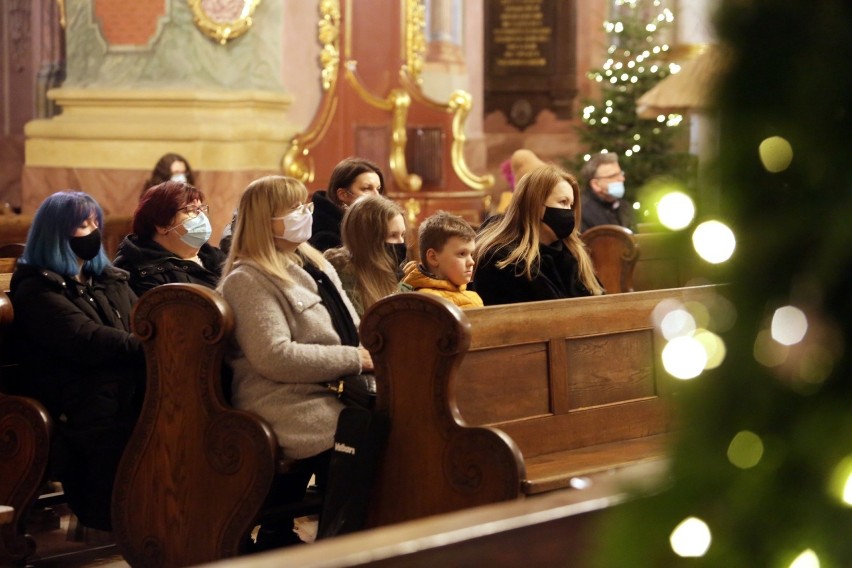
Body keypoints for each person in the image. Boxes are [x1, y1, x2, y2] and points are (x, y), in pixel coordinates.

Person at [218, 175, 373, 545]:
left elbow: (350, 326)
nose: (306, 213)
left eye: (305, 205)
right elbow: (275, 356)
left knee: (396, 423)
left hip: (333, 390)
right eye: (293, 209)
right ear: (264, 221)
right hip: (285, 401)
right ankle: (341, 546)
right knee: (364, 437)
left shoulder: (314, 263)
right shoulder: (248, 278)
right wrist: (355, 359)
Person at [9, 191, 145, 531]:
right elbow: (86, 339)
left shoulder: (108, 278)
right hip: (78, 402)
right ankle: (127, 515)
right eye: (83, 224)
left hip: (120, 387)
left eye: (95, 221)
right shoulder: (37, 289)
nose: (94, 229)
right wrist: (147, 346)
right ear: (56, 234)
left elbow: (141, 320)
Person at [473, 164, 604, 305]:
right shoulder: (502, 258)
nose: (569, 212)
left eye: (571, 205)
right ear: (534, 205)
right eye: (562, 202)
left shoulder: (572, 254)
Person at [114, 181, 226, 296]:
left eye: (200, 209)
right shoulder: (141, 272)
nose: (201, 217)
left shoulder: (214, 256)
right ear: (162, 225)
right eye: (190, 210)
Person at [324, 195, 406, 317]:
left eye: (402, 235)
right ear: (369, 239)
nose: (401, 242)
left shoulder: (396, 276)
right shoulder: (342, 278)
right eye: (393, 235)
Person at [399, 211, 483, 309]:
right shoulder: (428, 302)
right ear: (433, 257)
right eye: (462, 254)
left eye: (471, 254)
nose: (471, 262)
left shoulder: (471, 296)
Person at [309, 157, 384, 251]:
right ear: (343, 195)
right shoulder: (324, 236)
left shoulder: (378, 222)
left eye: (378, 189)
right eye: (366, 189)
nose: (377, 196)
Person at [579, 152, 636, 232]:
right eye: (613, 176)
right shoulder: (581, 212)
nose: (622, 179)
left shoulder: (624, 206)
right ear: (596, 184)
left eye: (620, 174)